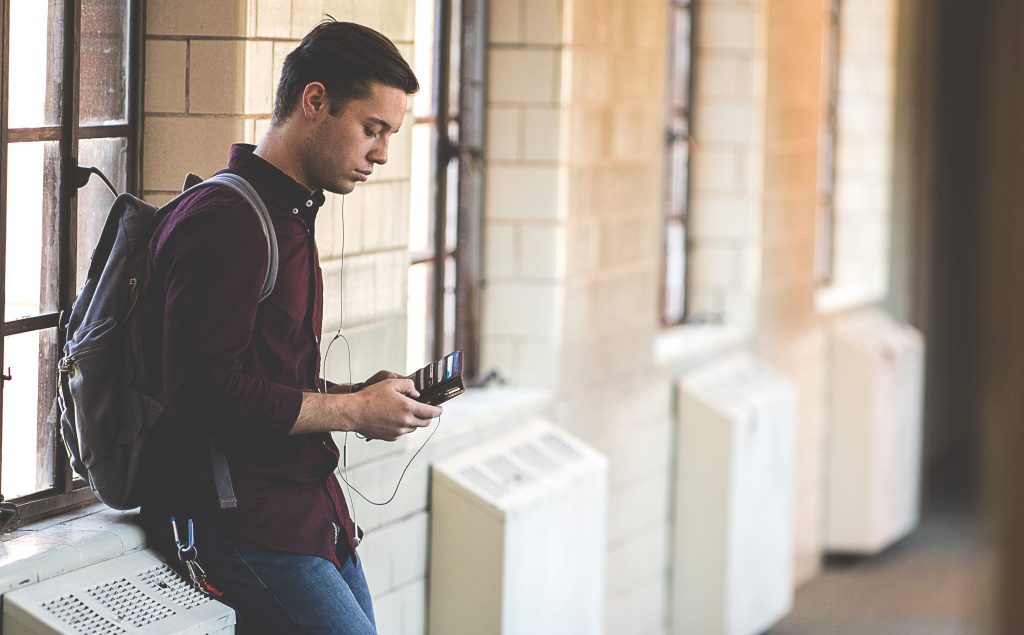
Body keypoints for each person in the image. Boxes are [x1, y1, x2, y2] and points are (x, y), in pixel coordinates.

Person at [138, 20, 440, 634]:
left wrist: (358, 397)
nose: (382, 153)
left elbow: (264, 379)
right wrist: (354, 413)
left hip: (305, 514)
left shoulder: (286, 214)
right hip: (243, 523)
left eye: (389, 134)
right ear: (315, 101)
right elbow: (200, 389)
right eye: (372, 129)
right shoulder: (230, 220)